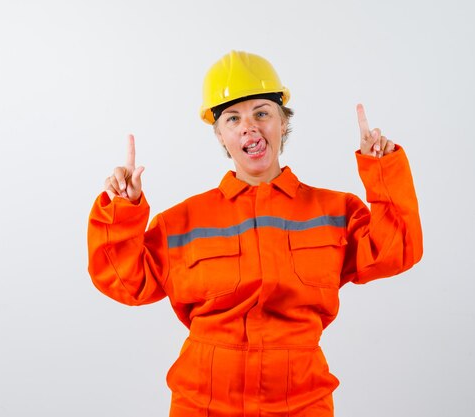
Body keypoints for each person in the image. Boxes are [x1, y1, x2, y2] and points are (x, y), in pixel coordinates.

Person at [87, 50, 423, 417]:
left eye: (262, 113)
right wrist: (121, 210)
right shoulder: (182, 222)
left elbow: (396, 250)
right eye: (233, 118)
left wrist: (381, 170)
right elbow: (123, 281)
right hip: (202, 402)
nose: (249, 127)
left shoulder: (334, 212)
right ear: (220, 135)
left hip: (302, 403)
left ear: (283, 123)